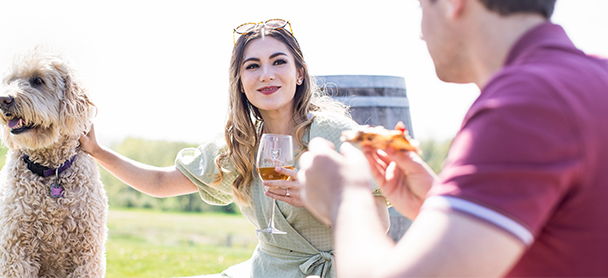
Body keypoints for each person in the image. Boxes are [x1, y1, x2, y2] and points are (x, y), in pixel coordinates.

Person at [297, 0, 608, 277]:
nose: (421, 33)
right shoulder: (598, 77)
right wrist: (436, 203)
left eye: (419, 2)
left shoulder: (525, 105)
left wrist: (346, 195)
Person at [79, 19, 391, 278]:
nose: (266, 74)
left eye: (278, 62)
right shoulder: (242, 143)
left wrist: (321, 200)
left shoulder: (333, 133)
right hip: (266, 270)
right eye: (252, 66)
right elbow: (161, 183)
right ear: (241, 82)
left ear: (299, 73)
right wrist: (97, 150)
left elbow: (379, 224)